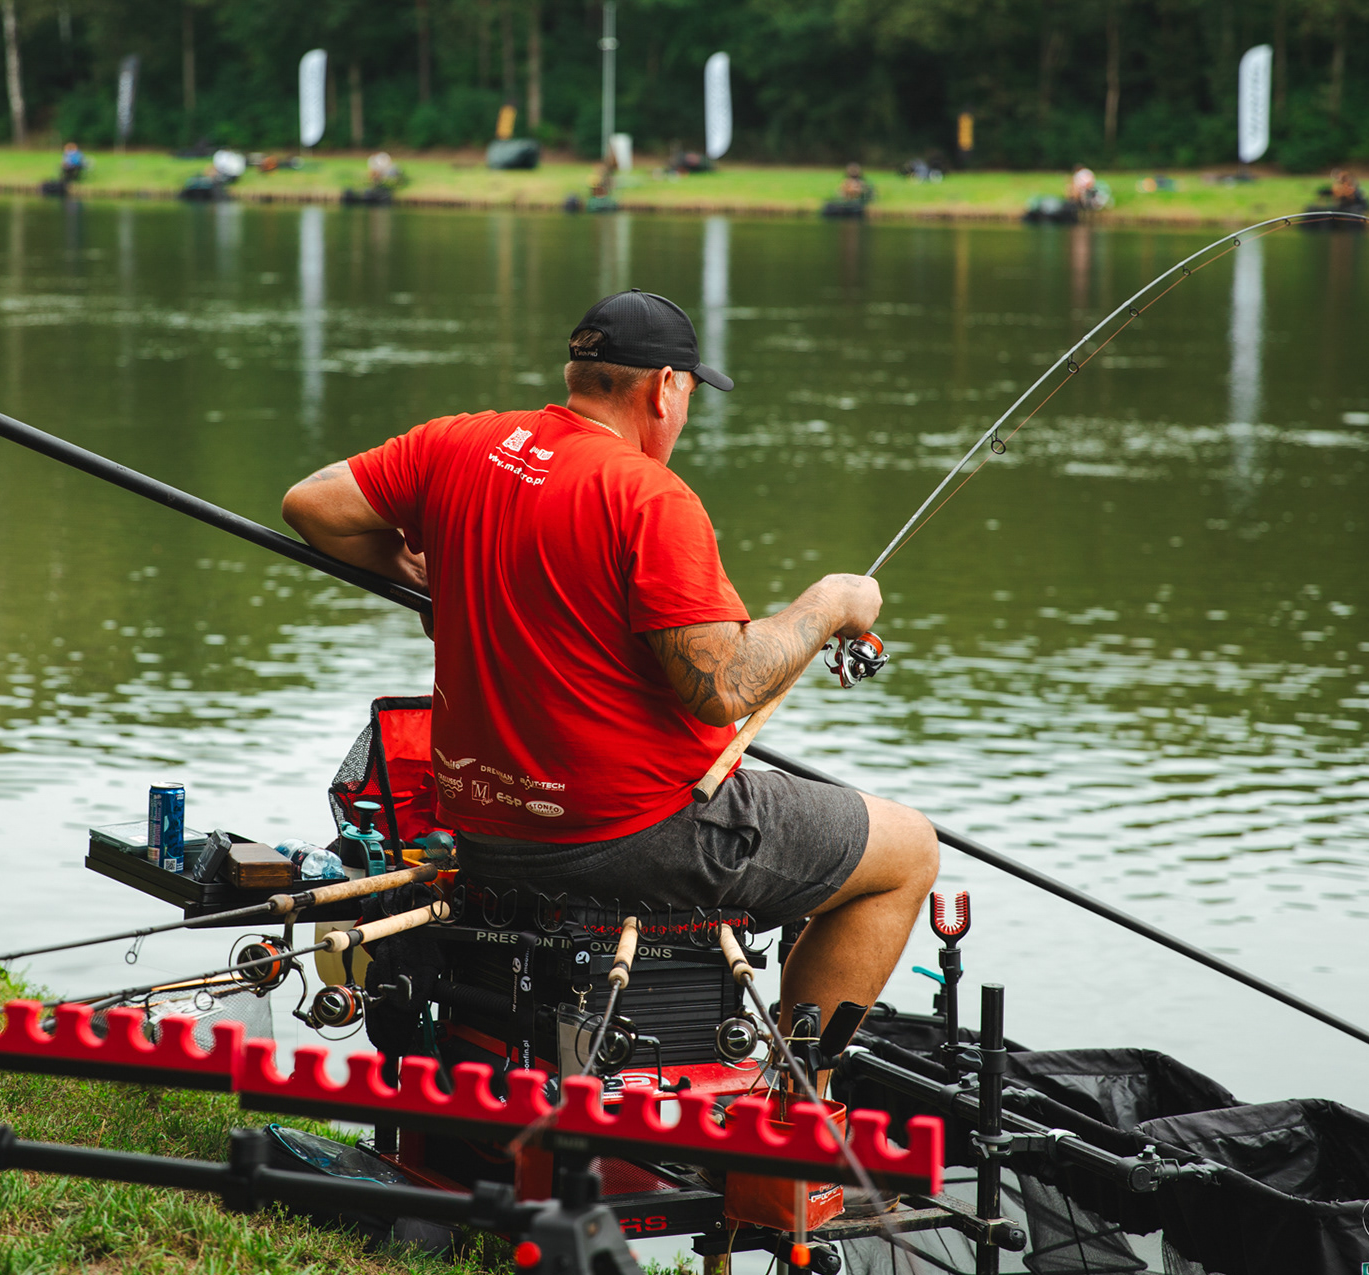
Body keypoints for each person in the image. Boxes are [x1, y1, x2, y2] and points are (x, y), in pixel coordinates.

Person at [282, 290, 940, 1037]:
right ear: (665, 388)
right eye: (689, 395)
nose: (684, 414)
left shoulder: (460, 443)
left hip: (482, 824)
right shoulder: (649, 497)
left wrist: (421, 574)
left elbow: (313, 505)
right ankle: (799, 1092)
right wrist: (829, 604)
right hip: (628, 832)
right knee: (908, 850)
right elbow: (722, 687)